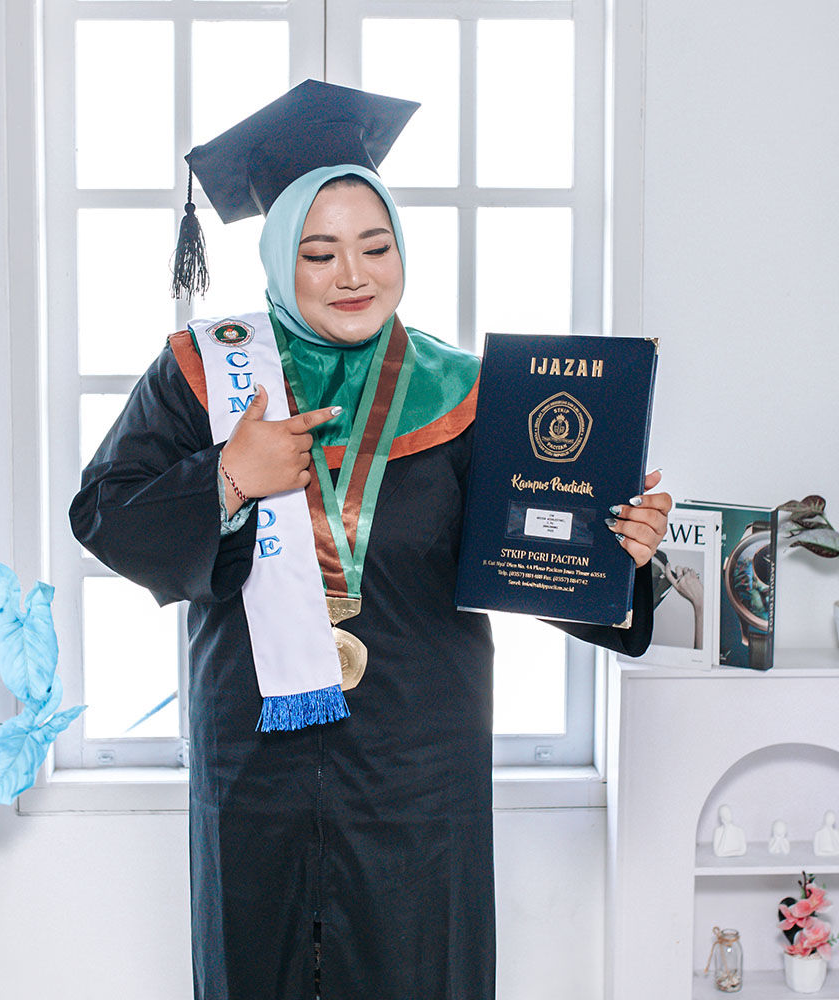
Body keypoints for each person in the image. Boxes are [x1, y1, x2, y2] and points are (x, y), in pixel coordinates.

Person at [70, 80, 671, 1000]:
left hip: (417, 774)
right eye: (320, 252)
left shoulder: (466, 393)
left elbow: (534, 557)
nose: (353, 274)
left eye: (375, 245)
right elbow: (104, 515)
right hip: (255, 763)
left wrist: (622, 555)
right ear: (280, 258)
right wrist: (230, 473)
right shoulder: (204, 371)